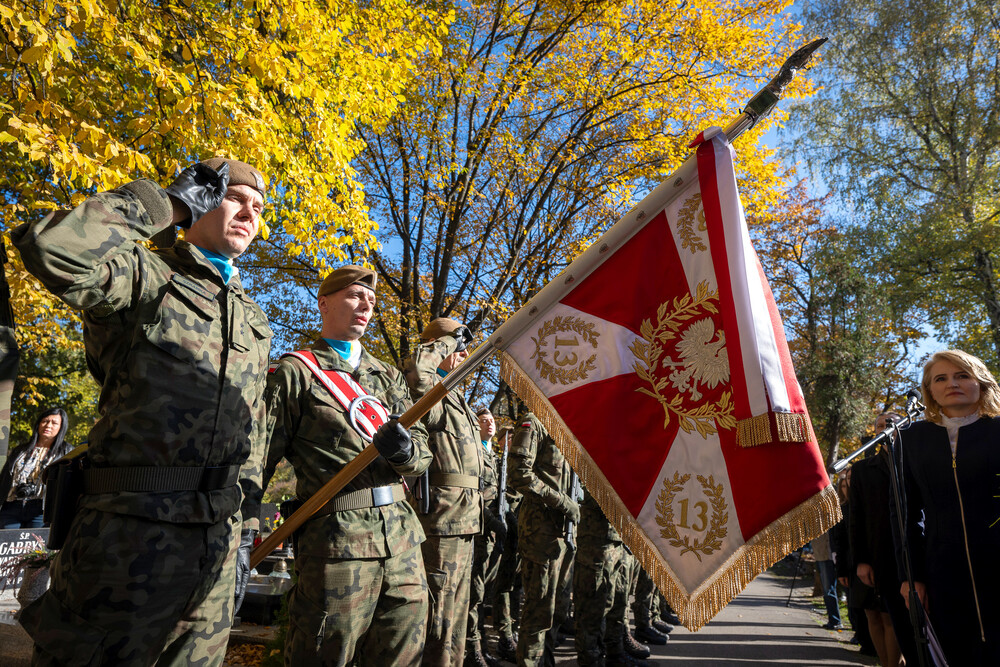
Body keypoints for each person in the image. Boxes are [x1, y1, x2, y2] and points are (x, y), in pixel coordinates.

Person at [12, 157, 273, 665]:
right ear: (199, 202)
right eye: (235, 198)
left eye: (258, 207)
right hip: (128, 539)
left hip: (214, 549)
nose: (249, 212)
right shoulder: (144, 271)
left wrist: (242, 527)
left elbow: (253, 429)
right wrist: (167, 203)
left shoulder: (253, 317)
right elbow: (53, 249)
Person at [260, 265, 431, 666]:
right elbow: (258, 460)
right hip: (337, 546)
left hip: (403, 543)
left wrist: (405, 452)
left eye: (371, 302)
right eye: (355, 296)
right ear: (324, 303)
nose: (365, 307)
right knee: (324, 654)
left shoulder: (387, 376)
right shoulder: (295, 373)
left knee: (402, 654)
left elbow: (422, 457)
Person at [898, 349, 1000, 664]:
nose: (951, 384)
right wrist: (910, 575)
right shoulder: (911, 439)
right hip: (941, 569)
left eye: (962, 376)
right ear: (929, 390)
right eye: (940, 378)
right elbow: (904, 514)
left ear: (981, 383)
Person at [402, 317, 484, 667]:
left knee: (456, 620)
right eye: (457, 347)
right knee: (436, 619)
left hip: (465, 520)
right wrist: (446, 341)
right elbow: (418, 371)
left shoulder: (455, 395)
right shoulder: (430, 389)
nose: (464, 353)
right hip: (441, 522)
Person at [509, 411, 577, 666]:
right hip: (541, 532)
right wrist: (561, 502)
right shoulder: (535, 421)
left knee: (557, 611)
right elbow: (519, 475)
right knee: (538, 615)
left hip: (565, 534)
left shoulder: (569, 430)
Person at [851, 413, 916, 665]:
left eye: (891, 424)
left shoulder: (914, 461)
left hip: (906, 553)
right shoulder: (861, 470)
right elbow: (855, 519)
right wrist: (860, 561)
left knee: (894, 617)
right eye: (880, 425)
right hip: (873, 553)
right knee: (874, 615)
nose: (885, 428)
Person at [464, 407, 505, 667]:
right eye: (483, 420)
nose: (489, 424)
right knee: (473, 593)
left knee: (484, 593)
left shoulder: (494, 454)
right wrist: (492, 521)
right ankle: (471, 650)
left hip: (491, 532)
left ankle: (480, 644)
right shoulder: (474, 450)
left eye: (491, 420)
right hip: (477, 530)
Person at [0, 408, 71, 528]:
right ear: (39, 423)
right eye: (45, 421)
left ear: (61, 427)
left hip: (42, 510)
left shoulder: (66, 452)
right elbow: (4, 478)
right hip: (12, 506)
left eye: (54, 423)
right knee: (7, 544)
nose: (48, 425)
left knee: (36, 545)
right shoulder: (20, 450)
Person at [811, 527, 844, 631]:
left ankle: (835, 620)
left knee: (828, 589)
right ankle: (833, 619)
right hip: (820, 553)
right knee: (827, 589)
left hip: (827, 554)